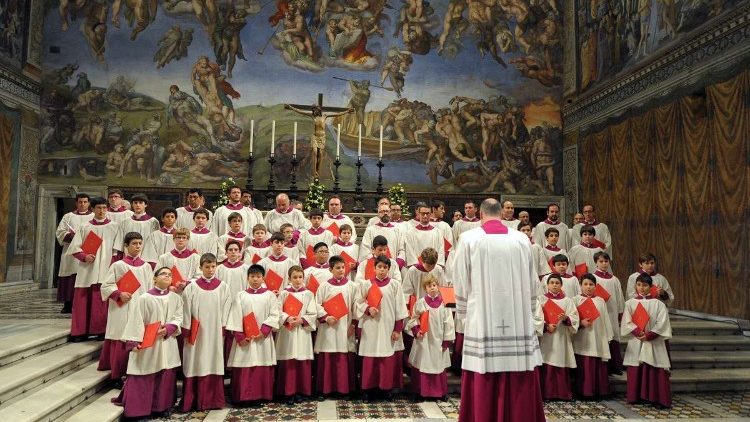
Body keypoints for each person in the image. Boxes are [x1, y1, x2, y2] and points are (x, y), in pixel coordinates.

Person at [453, 198, 544, 422]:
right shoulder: (522, 239)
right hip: (518, 319)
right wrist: (531, 311)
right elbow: (534, 282)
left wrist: (463, 315)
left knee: (484, 367)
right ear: (502, 214)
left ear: (481, 215)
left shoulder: (468, 239)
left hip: (482, 317)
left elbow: (460, 280)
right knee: (518, 370)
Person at [115, 267, 183, 419]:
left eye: (170, 275)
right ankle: (138, 410)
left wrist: (169, 328)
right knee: (144, 372)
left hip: (166, 342)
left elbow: (179, 317)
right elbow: (136, 321)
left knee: (165, 373)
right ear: (154, 279)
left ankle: (161, 407)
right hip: (148, 344)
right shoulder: (144, 298)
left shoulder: (176, 298)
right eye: (163, 274)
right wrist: (134, 342)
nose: (167, 276)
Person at [99, 231, 154, 384]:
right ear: (126, 246)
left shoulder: (147, 266)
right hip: (122, 307)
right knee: (120, 338)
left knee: (136, 337)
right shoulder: (118, 265)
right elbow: (106, 286)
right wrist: (119, 294)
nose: (137, 246)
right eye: (134, 244)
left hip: (140, 307)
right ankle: (116, 375)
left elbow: (150, 288)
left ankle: (134, 373)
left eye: (139, 244)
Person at [180, 253, 233, 412]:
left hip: (215, 332)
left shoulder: (223, 286)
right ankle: (193, 400)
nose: (210, 270)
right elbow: (185, 309)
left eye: (213, 267)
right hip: (196, 332)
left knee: (213, 360)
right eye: (207, 267)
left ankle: (213, 400)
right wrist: (187, 329)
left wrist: (223, 326)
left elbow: (227, 307)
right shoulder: (192, 287)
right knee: (195, 361)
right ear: (200, 268)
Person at [68, 196, 123, 341]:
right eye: (99, 208)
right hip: (87, 269)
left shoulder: (114, 226)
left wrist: (113, 267)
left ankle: (100, 331)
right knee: (82, 299)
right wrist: (84, 256)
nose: (102, 210)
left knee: (102, 300)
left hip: (107, 267)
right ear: (93, 209)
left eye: (104, 208)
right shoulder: (85, 227)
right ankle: (80, 332)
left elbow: (117, 250)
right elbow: (75, 248)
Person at [354, 255, 408, 399]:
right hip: (370, 326)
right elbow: (358, 302)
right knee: (370, 358)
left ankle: (386, 389)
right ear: (374, 268)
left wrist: (397, 329)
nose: (382, 270)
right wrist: (367, 309)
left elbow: (400, 308)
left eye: (385, 268)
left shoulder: (395, 285)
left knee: (386, 358)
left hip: (388, 326)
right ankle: (367, 389)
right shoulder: (366, 284)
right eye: (379, 267)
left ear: (389, 269)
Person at [226, 264, 280, 404]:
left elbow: (274, 314)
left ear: (263, 278)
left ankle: (261, 395)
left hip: (262, 338)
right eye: (252, 276)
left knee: (261, 363)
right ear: (247, 278)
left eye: (258, 276)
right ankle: (243, 397)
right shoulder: (240, 295)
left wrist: (264, 331)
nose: (255, 279)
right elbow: (235, 316)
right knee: (245, 364)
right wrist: (240, 337)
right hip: (246, 339)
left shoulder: (269, 296)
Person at [621, 273, 673, 408]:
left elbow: (662, 323)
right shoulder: (630, 303)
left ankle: (657, 398)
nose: (641, 288)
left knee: (655, 366)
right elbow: (627, 322)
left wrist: (649, 335)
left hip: (653, 341)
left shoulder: (659, 304)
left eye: (645, 285)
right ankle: (636, 396)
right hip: (637, 339)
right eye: (639, 285)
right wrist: (638, 332)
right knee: (636, 365)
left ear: (651, 287)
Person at [314, 255, 359, 397]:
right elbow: (317, 304)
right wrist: (326, 317)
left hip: (345, 327)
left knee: (343, 356)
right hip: (328, 328)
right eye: (337, 268)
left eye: (343, 267)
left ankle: (344, 389)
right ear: (330, 269)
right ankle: (325, 389)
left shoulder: (352, 286)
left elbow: (356, 306)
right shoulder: (324, 286)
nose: (341, 270)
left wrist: (353, 324)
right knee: (328, 356)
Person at [407, 274, 455, 400]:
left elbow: (449, 322)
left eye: (434, 285)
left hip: (439, 340)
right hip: (424, 340)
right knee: (423, 362)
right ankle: (420, 392)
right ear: (425, 288)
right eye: (429, 286)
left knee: (438, 363)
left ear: (438, 287)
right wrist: (417, 331)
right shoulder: (421, 303)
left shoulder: (444, 303)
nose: (432, 288)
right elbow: (413, 319)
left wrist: (446, 340)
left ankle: (440, 392)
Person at [276, 266, 318, 403]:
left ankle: (303, 391)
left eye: (300, 277)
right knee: (289, 361)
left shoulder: (308, 294)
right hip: (287, 331)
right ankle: (288, 392)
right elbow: (277, 311)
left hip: (301, 331)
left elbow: (313, 313)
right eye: (295, 277)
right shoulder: (284, 294)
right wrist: (287, 318)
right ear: (289, 279)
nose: (298, 280)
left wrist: (301, 320)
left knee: (302, 361)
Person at [536, 273, 579, 400]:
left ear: (561, 285)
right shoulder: (541, 299)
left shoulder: (567, 301)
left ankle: (562, 393)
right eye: (552, 283)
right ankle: (547, 393)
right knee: (547, 362)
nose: (554, 285)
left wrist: (566, 319)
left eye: (557, 283)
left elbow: (575, 317)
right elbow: (537, 317)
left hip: (561, 337)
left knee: (561, 360)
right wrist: (546, 326)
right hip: (547, 337)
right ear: (547, 285)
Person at [573, 274, 613, 398]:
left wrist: (608, 336)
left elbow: (605, 319)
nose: (588, 287)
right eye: (585, 284)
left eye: (591, 284)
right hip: (583, 337)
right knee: (584, 365)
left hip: (598, 337)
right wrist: (580, 323)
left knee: (598, 364)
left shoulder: (600, 300)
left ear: (595, 286)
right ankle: (584, 391)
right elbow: (572, 320)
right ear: (580, 285)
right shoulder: (575, 300)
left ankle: (599, 391)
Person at [55, 193, 93, 313]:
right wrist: (73, 236)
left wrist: (84, 238)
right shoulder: (68, 216)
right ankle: (68, 304)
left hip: (87, 251)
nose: (82, 204)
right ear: (76, 203)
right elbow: (60, 232)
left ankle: (85, 305)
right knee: (70, 277)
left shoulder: (93, 216)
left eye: (85, 202)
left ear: (89, 203)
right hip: (70, 253)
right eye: (80, 202)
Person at [593, 252, 626, 374]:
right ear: (596, 262)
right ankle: (603, 368)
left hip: (612, 312)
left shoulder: (614, 279)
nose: (604, 264)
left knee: (613, 337)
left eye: (606, 261)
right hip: (599, 312)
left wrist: (620, 312)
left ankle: (615, 366)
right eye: (601, 261)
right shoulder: (593, 278)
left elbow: (620, 298)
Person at [403, 203, 446, 268]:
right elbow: (410, 252)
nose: (425, 216)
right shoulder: (410, 233)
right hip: (417, 269)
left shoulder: (438, 232)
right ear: (418, 214)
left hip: (433, 268)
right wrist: (419, 267)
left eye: (427, 213)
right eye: (423, 213)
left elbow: (440, 251)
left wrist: (435, 266)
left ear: (430, 214)